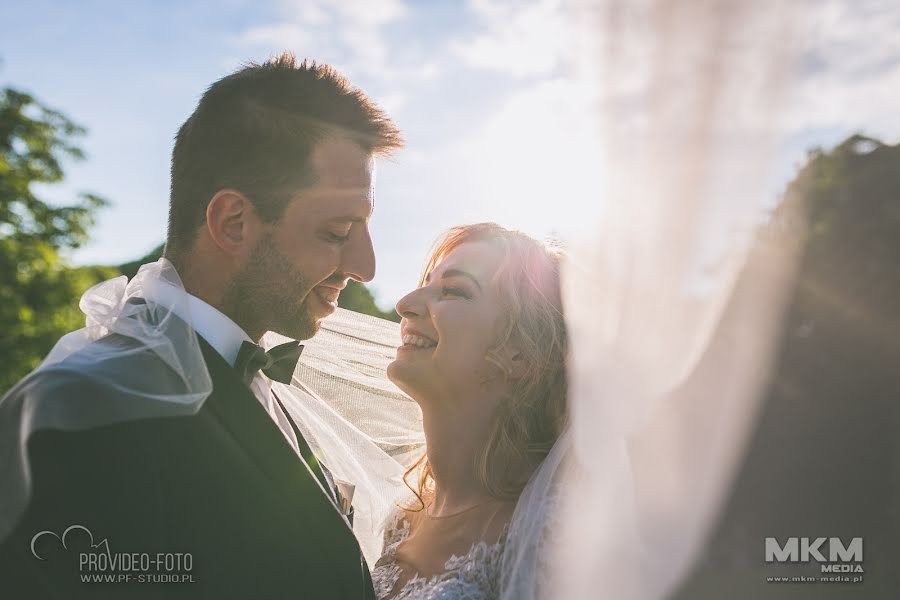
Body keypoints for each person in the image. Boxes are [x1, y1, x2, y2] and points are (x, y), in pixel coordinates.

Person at [0, 52, 401, 599]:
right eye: (337, 231)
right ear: (232, 222)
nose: (365, 266)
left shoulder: (266, 385)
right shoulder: (81, 414)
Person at [369, 223, 569, 599]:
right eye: (425, 282)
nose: (405, 303)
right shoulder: (402, 520)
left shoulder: (546, 535)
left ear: (520, 354)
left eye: (454, 291)